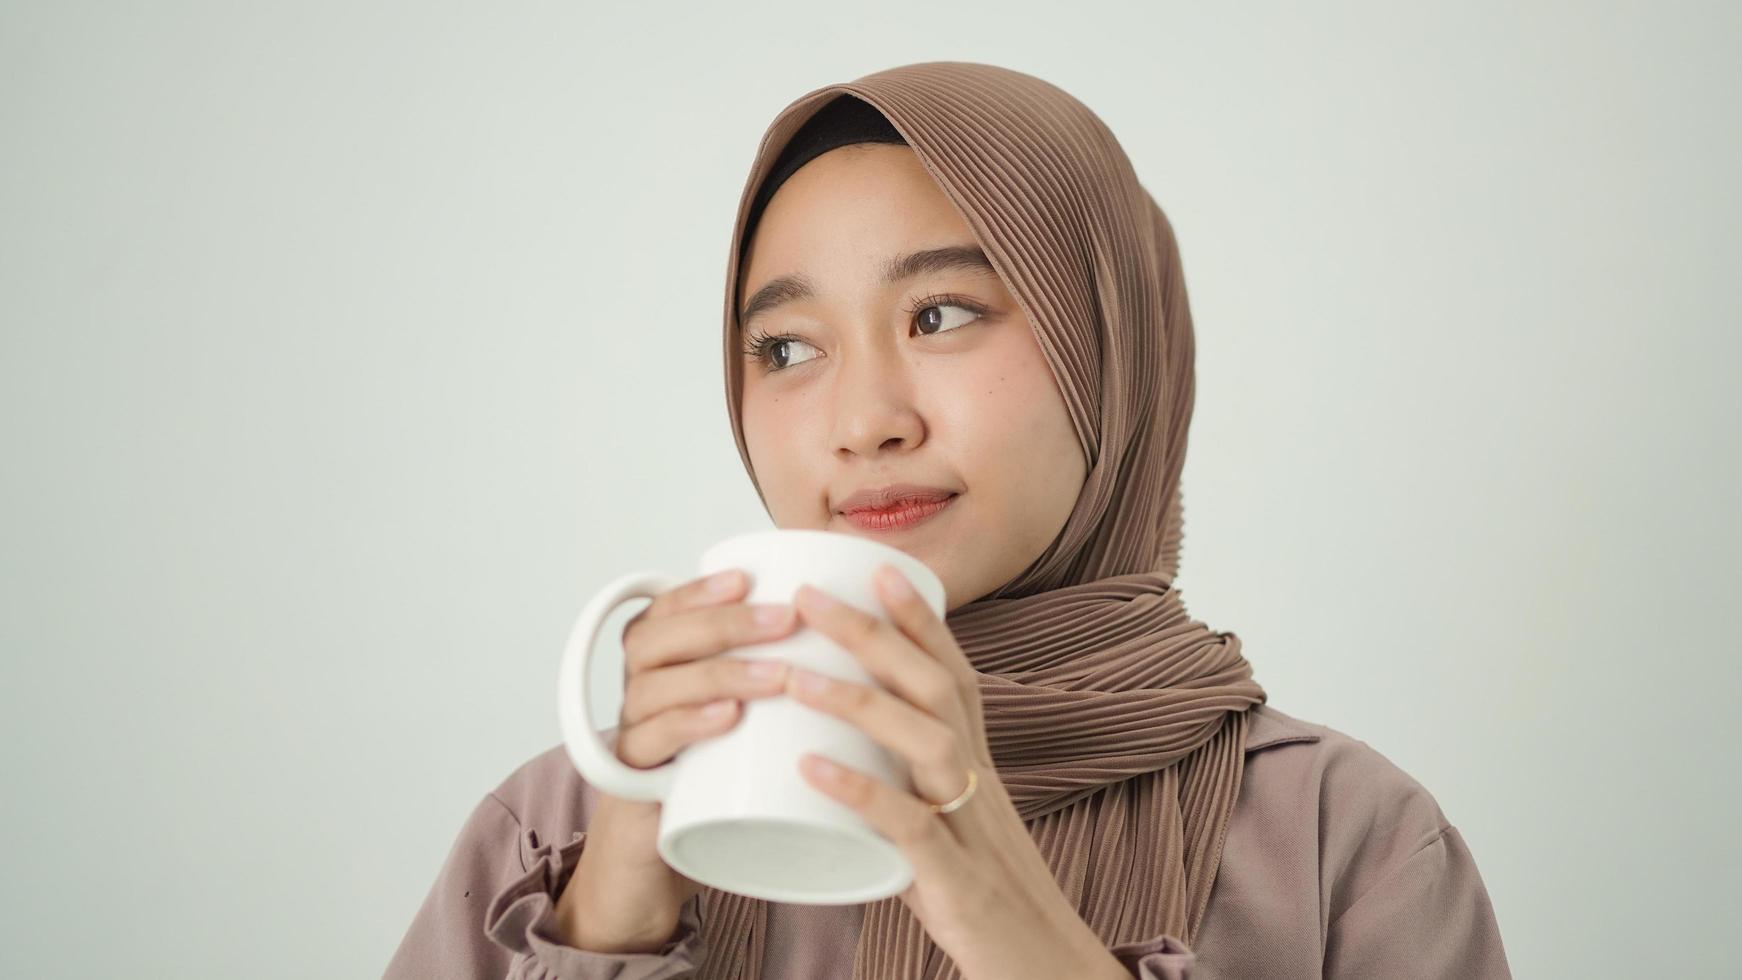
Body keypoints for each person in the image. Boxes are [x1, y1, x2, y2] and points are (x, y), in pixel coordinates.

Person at [384, 62, 1512, 980]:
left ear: (1110, 346)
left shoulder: (1341, 842)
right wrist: (609, 919)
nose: (862, 420)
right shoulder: (556, 835)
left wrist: (1015, 924)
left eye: (939, 313)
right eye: (786, 347)